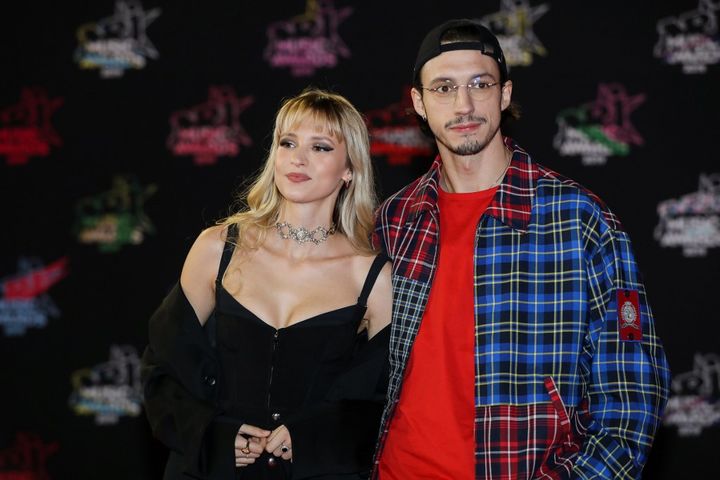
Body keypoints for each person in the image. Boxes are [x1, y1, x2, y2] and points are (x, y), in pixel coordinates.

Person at [372, 19, 671, 480]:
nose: (464, 104)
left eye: (480, 84)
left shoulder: (580, 219)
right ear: (419, 103)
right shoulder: (395, 220)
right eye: (445, 88)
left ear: (505, 94)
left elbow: (633, 396)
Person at [141, 88, 392, 479]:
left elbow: (381, 401)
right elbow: (163, 370)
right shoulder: (218, 248)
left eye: (321, 147)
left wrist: (310, 436)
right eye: (287, 142)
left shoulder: (372, 276)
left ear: (350, 169)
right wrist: (215, 436)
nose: (298, 158)